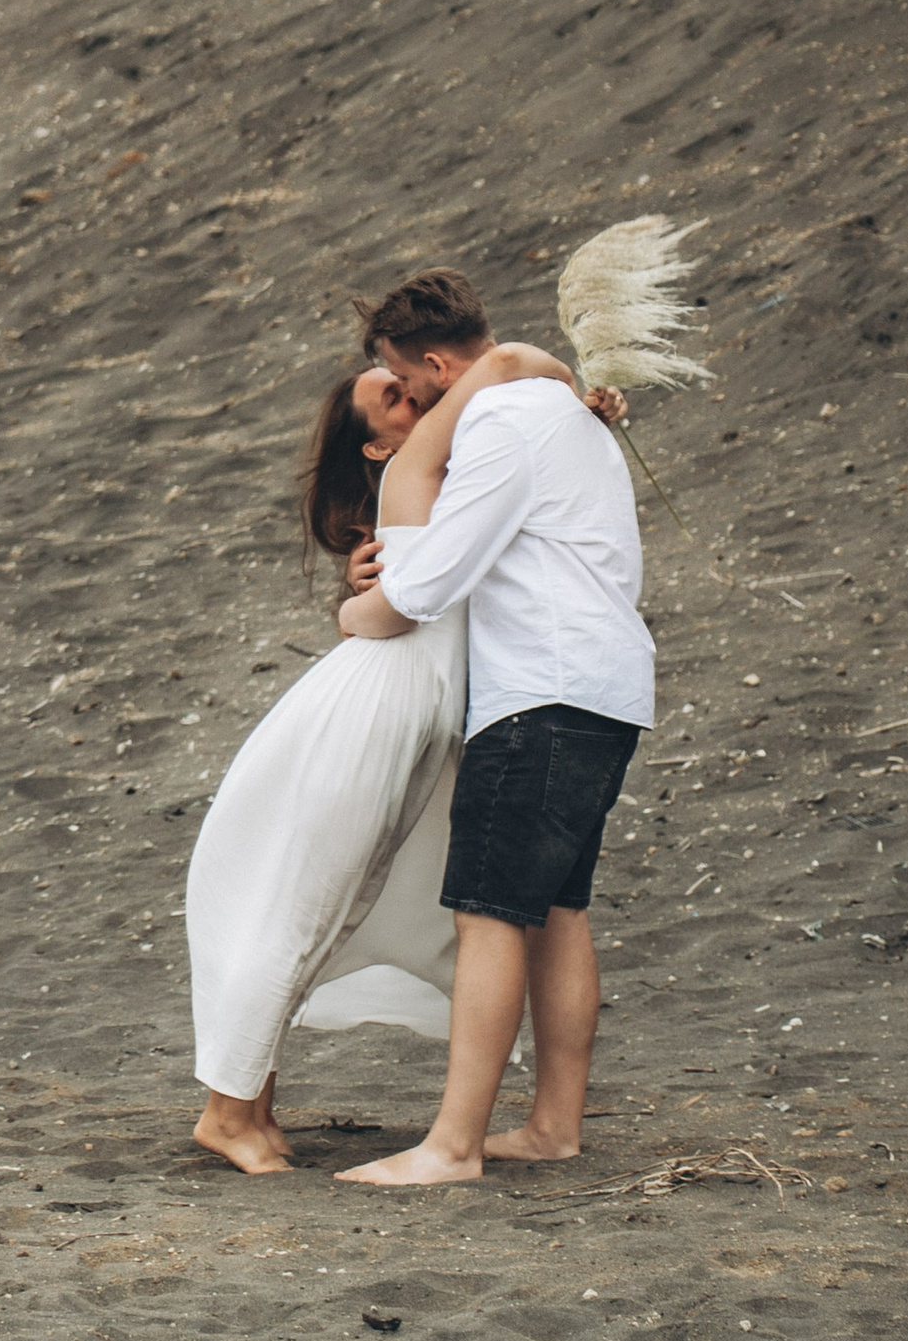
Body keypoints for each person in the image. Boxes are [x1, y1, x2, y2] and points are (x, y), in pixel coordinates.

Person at [184, 332, 617, 1178]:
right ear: (381, 444)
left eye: (408, 383)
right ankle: (228, 1112)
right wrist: (555, 377)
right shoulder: (414, 475)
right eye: (393, 398)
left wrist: (584, 409)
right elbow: (488, 375)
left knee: (318, 901)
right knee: (301, 899)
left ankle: (249, 1110)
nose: (416, 396)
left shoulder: (458, 472)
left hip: (411, 714)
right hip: (373, 712)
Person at [331, 265, 655, 1190]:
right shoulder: (565, 415)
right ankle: (553, 1128)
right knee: (558, 912)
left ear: (436, 365)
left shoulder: (504, 426)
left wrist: (358, 611)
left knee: (488, 915)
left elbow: (426, 589)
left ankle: (453, 1145)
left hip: (543, 692)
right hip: (604, 686)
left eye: (410, 384)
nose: (419, 404)